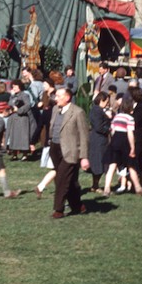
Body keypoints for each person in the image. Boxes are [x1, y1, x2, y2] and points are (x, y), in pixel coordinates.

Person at [49, 87, 90, 219]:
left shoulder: (78, 112)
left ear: (67, 98)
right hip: (55, 148)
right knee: (70, 180)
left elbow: (84, 136)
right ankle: (78, 205)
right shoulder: (55, 110)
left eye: (58, 96)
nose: (56, 99)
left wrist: (84, 157)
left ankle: (58, 209)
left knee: (61, 179)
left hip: (70, 151)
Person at [101, 97, 142, 197]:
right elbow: (130, 133)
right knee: (131, 165)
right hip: (124, 142)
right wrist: (132, 148)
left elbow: (113, 130)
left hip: (115, 140)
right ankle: (138, 188)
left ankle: (106, 189)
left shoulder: (117, 116)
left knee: (112, 165)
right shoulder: (130, 118)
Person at [87, 91, 112, 192]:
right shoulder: (98, 111)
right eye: (106, 101)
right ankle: (96, 185)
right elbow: (99, 127)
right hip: (99, 140)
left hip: (97, 138)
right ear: (102, 100)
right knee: (99, 163)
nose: (107, 103)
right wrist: (109, 128)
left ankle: (95, 185)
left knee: (98, 163)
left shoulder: (96, 110)